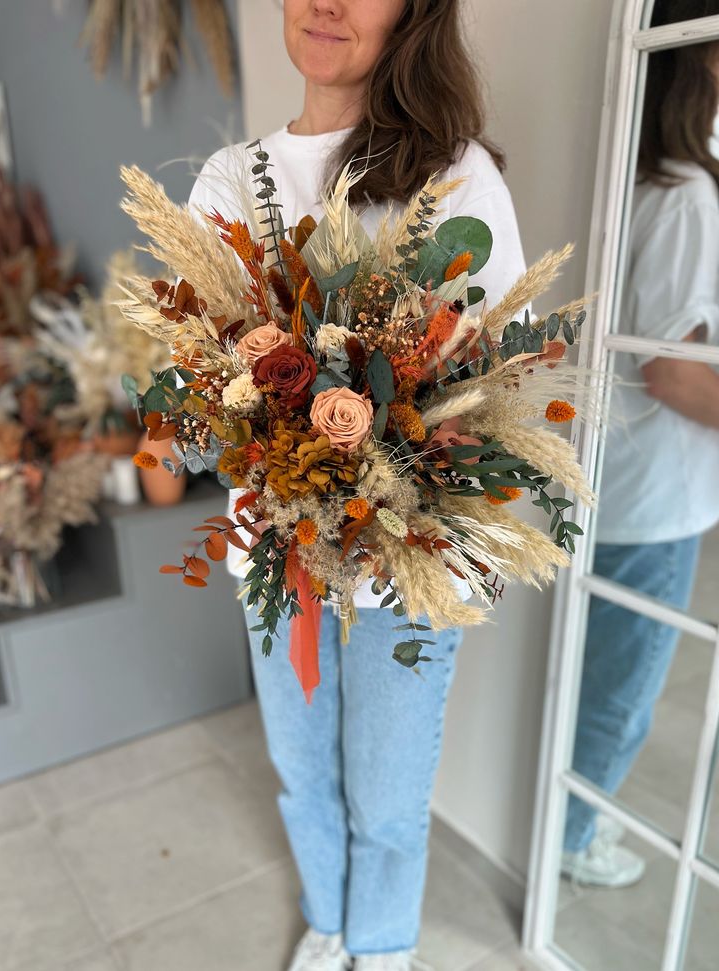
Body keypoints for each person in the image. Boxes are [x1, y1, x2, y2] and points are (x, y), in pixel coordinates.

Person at [188, 2, 527, 968]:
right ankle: (329, 920)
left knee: (386, 794)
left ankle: (380, 947)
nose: (327, 2)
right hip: (275, 555)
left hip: (405, 562)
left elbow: (493, 379)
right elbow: (201, 381)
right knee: (302, 774)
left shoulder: (452, 176)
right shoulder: (231, 179)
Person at [561, 0, 719, 888]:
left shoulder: (632, 180)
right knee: (621, 691)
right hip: (654, 497)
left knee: (602, 675)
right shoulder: (688, 194)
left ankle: (573, 825)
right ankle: (578, 837)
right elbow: (672, 371)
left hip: (613, 481)